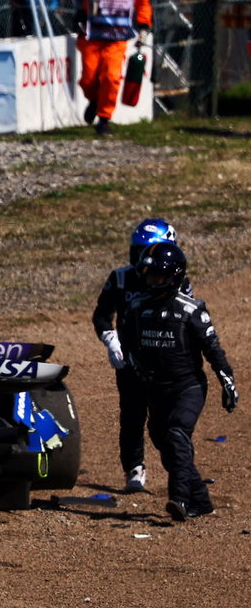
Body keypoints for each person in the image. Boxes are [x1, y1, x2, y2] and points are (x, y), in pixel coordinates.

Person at [118, 242, 237, 521]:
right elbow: (128, 343)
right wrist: (136, 369)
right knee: (164, 441)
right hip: (155, 389)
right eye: (148, 276)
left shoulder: (191, 310)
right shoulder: (136, 309)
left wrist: (226, 381)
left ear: (173, 276)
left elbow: (213, 349)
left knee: (176, 434)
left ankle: (180, 499)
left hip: (188, 388)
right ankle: (201, 499)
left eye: (157, 276)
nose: (151, 281)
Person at [92, 218, 191, 492]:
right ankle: (134, 468)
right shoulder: (120, 278)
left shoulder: (178, 282)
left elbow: (186, 319)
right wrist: (110, 339)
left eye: (148, 252)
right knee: (132, 415)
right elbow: (101, 314)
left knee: (165, 422)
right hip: (129, 360)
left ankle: (181, 472)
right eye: (138, 252)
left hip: (164, 362)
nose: (144, 261)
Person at [57, 0, 153, 138]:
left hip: (117, 40)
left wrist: (144, 28)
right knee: (89, 79)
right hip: (91, 36)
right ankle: (94, 100)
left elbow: (143, 3)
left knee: (111, 77)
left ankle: (104, 119)